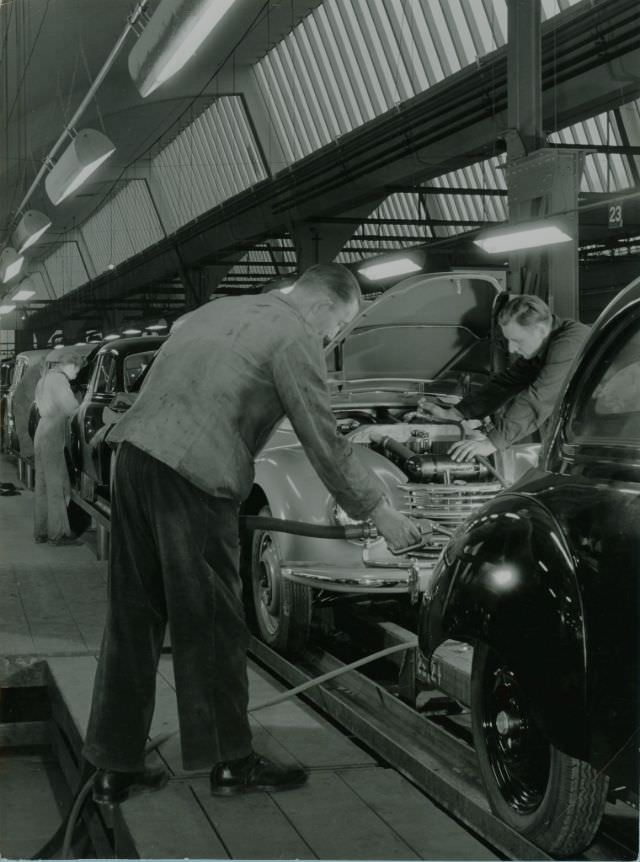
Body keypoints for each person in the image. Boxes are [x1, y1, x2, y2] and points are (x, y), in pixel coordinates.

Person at [82, 263, 422, 805]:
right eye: (335, 329)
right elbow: (324, 439)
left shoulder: (214, 310)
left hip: (132, 459)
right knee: (211, 622)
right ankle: (231, 764)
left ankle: (113, 767)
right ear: (319, 307)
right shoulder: (294, 334)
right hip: (193, 475)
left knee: (132, 615)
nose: (331, 339)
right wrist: (379, 510)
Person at [419, 294, 590, 462]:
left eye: (517, 340)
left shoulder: (569, 344)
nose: (512, 349)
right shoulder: (544, 344)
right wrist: (456, 413)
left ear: (541, 330)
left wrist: (492, 442)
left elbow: (540, 397)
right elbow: (506, 383)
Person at [33, 347, 85, 545]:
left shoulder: (43, 379)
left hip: (41, 429)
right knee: (57, 484)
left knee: (42, 484)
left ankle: (41, 531)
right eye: (77, 369)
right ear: (70, 364)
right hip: (53, 431)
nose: (77, 374)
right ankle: (59, 534)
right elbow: (71, 408)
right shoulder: (60, 379)